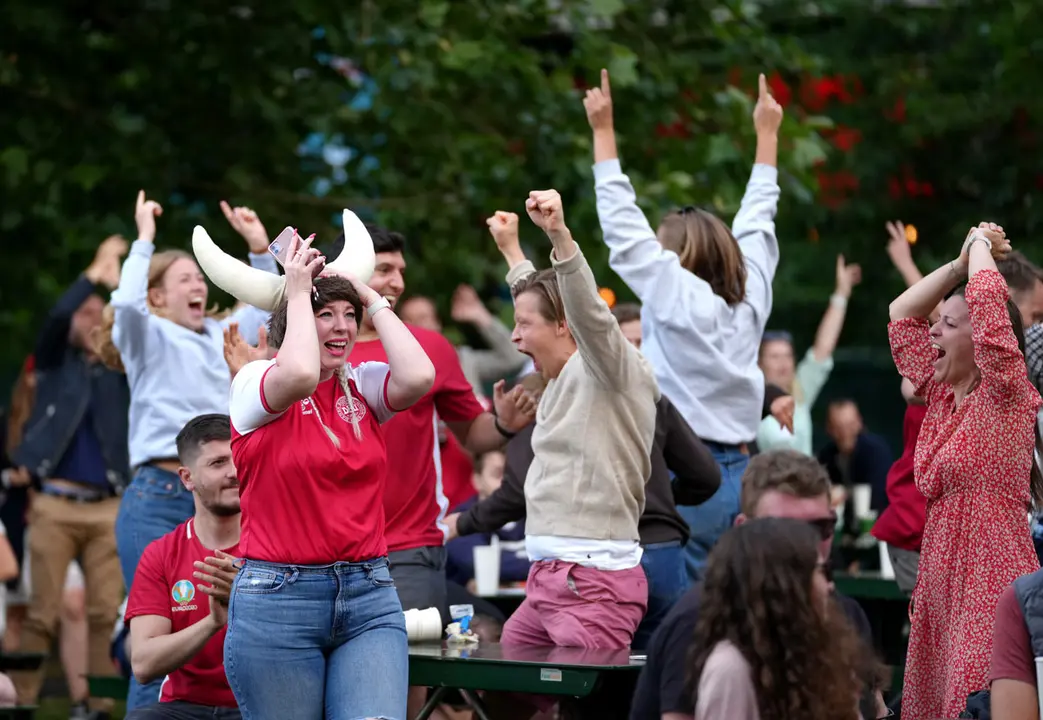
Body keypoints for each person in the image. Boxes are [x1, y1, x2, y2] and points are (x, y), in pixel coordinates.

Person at [207, 228, 435, 719]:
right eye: (325, 314)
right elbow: (300, 374)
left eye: (348, 316)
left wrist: (370, 296)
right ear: (294, 324)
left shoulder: (362, 384)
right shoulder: (253, 382)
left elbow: (419, 377)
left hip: (369, 592)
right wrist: (294, 291)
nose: (342, 327)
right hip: (278, 601)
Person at [584, 68, 784, 581]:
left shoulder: (676, 292)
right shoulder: (753, 292)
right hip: (741, 475)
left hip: (685, 473)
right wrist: (767, 136)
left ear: (676, 256)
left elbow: (624, 232)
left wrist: (603, 132)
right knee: (738, 612)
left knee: (683, 624)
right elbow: (759, 218)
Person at [477, 190, 659, 720]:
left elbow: (582, 308)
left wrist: (559, 235)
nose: (513, 336)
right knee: (502, 691)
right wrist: (512, 251)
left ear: (565, 327)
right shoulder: (556, 375)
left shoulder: (610, 367)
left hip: (595, 586)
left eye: (523, 325)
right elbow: (538, 298)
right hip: (546, 585)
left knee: (589, 710)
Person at [96, 193, 276, 710]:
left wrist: (258, 249)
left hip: (224, 491)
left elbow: (264, 301)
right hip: (159, 494)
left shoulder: (219, 334)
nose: (198, 285)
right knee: (159, 627)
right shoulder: (145, 334)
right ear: (156, 296)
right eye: (184, 279)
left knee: (233, 620)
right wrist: (145, 238)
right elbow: (124, 304)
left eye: (201, 279)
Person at [888, 222, 1041, 719]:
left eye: (951, 325)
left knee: (972, 704)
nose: (934, 330)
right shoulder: (939, 397)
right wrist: (957, 264)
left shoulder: (1006, 395)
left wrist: (980, 245)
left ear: (982, 340)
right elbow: (902, 314)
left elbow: (993, 316)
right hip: (940, 578)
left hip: (989, 575)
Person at [629, 449, 885, 720]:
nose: (803, 544)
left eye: (818, 528)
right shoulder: (700, 623)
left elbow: (874, 710)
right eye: (781, 529)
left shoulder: (845, 615)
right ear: (743, 530)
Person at [9, 235, 131, 713]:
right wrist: (93, 277)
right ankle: (17, 703)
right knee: (39, 614)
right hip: (54, 504)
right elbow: (58, 317)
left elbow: (130, 326)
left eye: (99, 314)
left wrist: (116, 297)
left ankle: (96, 707)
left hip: (108, 507)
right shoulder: (57, 365)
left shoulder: (120, 372)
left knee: (105, 614)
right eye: (85, 312)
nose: (90, 319)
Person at [125, 414, 242, 720]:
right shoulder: (161, 554)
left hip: (260, 703)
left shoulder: (278, 542)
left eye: (239, 458)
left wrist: (247, 600)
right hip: (185, 708)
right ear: (187, 478)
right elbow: (143, 664)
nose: (234, 472)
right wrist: (213, 622)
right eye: (218, 463)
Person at [687, 518, 863, 720]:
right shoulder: (731, 669)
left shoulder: (826, 651)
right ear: (786, 585)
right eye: (821, 571)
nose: (829, 585)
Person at [757, 255, 862, 455]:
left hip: (804, 484)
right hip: (765, 484)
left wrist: (841, 293)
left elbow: (823, 348)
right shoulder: (750, 396)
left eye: (787, 356)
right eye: (775, 356)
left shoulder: (800, 391)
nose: (783, 362)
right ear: (759, 363)